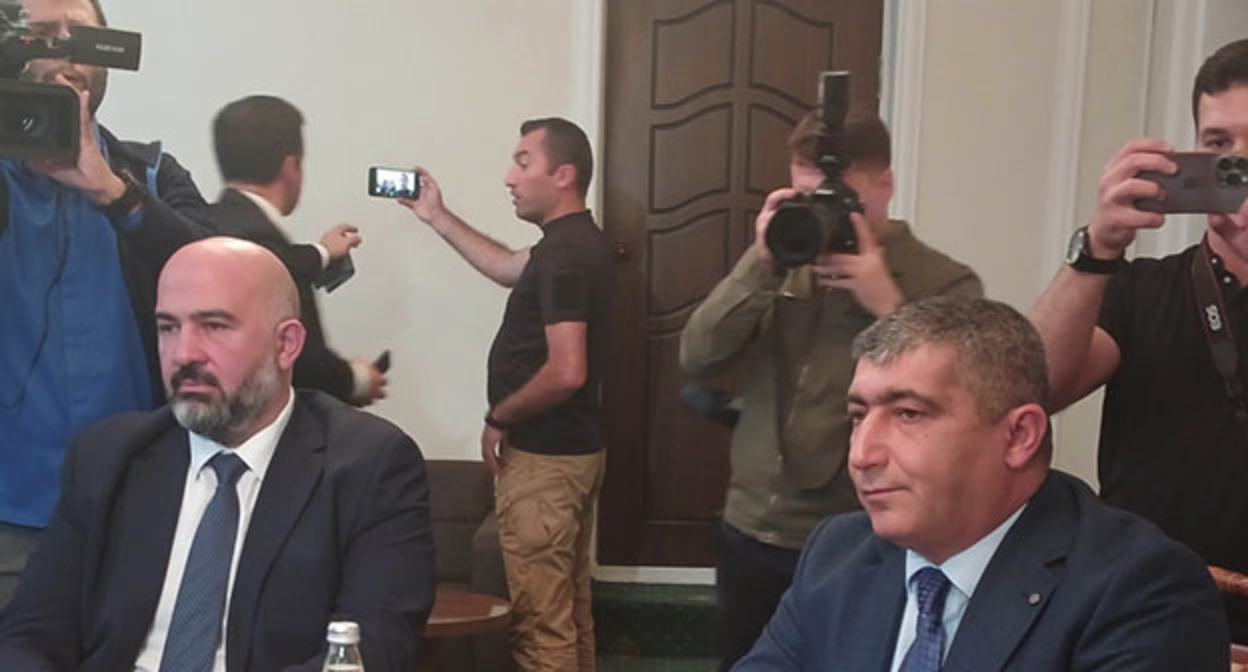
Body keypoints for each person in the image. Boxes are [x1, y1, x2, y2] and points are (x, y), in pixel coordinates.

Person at [0, 237, 434, 671]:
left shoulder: (369, 465)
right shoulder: (108, 456)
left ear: (286, 344)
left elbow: (375, 647)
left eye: (214, 326)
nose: (184, 353)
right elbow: (32, 631)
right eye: (168, 327)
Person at [737, 296, 1229, 671]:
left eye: (908, 414)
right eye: (858, 416)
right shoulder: (837, 554)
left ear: (1019, 436)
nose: (863, 454)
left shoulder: (1139, 590)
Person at [679, 113, 982, 669]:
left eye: (839, 199)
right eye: (806, 196)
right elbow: (698, 355)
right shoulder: (781, 264)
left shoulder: (943, 282)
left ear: (885, 185)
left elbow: (966, 399)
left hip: (862, 535)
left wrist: (888, 303)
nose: (822, 213)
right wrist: (760, 267)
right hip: (752, 524)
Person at [1030, 38, 1248, 639]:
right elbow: (1030, 389)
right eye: (1218, 145)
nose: (1239, 166)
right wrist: (1097, 246)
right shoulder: (1140, 287)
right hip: (1143, 616)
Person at [0, 0, 207, 607]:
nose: (67, 51)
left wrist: (112, 191)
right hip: (10, 510)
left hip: (139, 504)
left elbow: (222, 276)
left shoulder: (151, 172)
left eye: (85, 38)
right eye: (43, 35)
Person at [399, 117, 610, 672]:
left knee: (542, 630)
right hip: (572, 454)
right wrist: (436, 214)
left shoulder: (565, 256)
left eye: (523, 162)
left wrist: (500, 416)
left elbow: (567, 370)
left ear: (563, 175)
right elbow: (503, 266)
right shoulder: (570, 243)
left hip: (545, 462)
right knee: (569, 616)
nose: (509, 178)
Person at [199, 95, 386, 407]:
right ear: (292, 166)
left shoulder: (206, 224)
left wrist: (323, 253)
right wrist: (357, 379)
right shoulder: (267, 250)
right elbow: (302, 359)